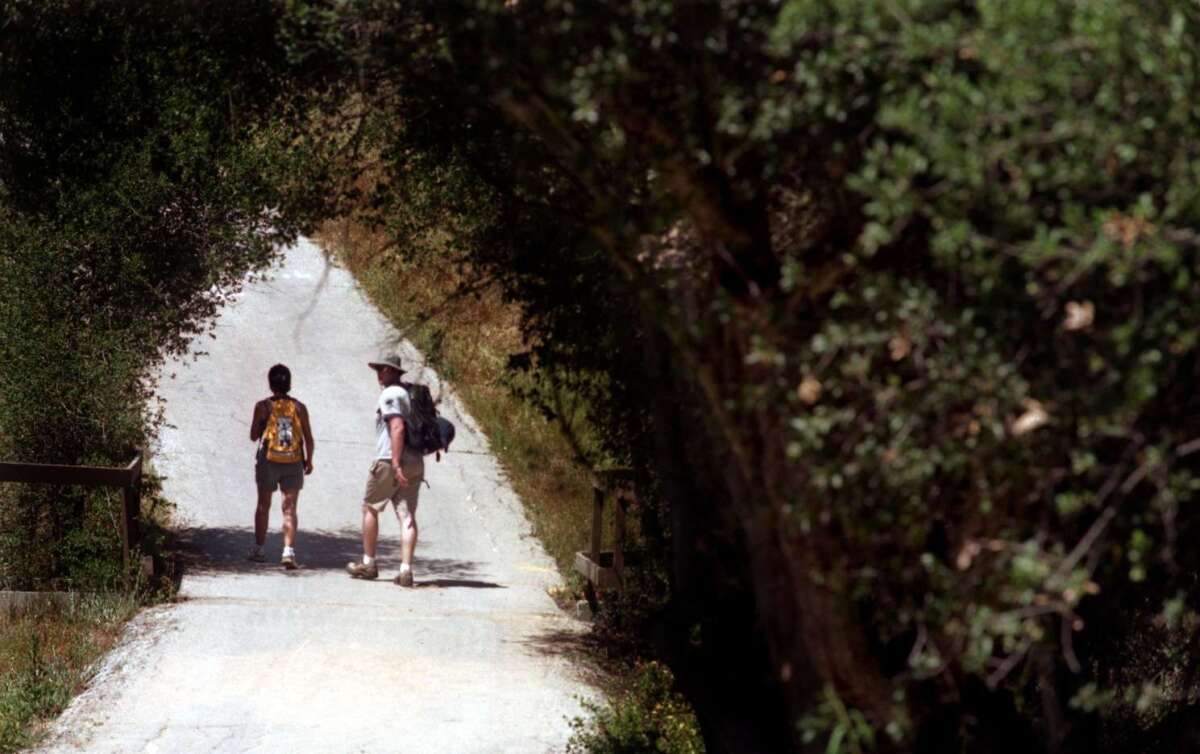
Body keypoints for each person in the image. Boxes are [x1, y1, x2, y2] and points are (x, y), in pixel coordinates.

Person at [347, 353, 424, 586]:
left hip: (390, 461)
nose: (379, 374)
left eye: (383, 369)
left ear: (392, 372)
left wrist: (396, 463)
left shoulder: (391, 394)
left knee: (370, 508)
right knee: (407, 515)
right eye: (379, 369)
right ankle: (406, 569)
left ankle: (369, 563)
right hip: (415, 461)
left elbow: (397, 427)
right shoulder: (410, 394)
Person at [248, 363, 314, 569]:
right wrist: (309, 460)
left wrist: (262, 423)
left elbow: (253, 436)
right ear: (289, 383)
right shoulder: (300, 407)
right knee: (290, 507)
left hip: (269, 461)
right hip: (293, 460)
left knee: (263, 505)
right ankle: (288, 551)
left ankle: (259, 549)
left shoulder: (263, 406)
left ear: (270, 383)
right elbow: (309, 438)